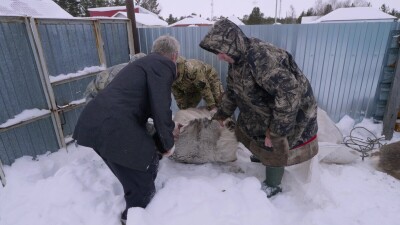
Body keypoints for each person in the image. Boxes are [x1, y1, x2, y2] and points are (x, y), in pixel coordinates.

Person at [199, 18, 318, 198]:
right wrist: (222, 114)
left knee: (275, 142)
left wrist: (276, 131)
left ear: (232, 45)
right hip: (266, 106)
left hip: (292, 108)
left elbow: (289, 93)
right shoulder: (236, 61)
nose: (219, 57)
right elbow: (233, 91)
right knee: (247, 128)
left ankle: (273, 184)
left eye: (220, 51)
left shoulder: (261, 58)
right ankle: (260, 156)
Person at [72, 35, 181, 224]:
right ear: (174, 56)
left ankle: (137, 202)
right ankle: (133, 217)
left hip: (94, 123)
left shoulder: (142, 64)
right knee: (142, 188)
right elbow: (161, 107)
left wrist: (159, 142)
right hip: (114, 125)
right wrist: (168, 143)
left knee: (148, 158)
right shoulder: (163, 65)